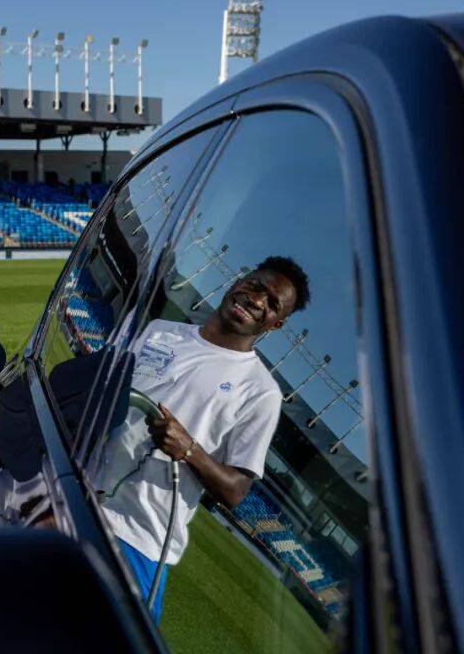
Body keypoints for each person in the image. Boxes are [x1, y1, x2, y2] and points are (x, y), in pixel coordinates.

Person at [96, 256, 310, 620]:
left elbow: (236, 490)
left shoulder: (260, 392)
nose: (257, 300)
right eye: (255, 285)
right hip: (79, 495)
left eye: (272, 303)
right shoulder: (161, 331)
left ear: (276, 324)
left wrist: (189, 450)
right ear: (239, 281)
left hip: (138, 538)